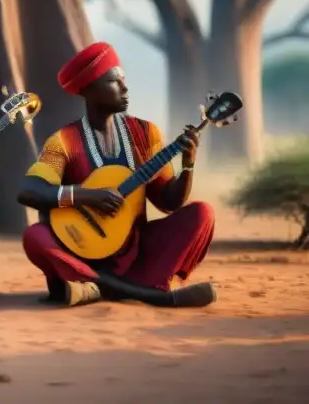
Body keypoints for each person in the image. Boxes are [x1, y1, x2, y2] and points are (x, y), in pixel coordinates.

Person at [18, 42, 217, 308]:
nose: (125, 88)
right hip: (79, 254)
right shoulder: (63, 141)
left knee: (203, 214)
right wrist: (87, 196)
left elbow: (169, 202)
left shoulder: (147, 135)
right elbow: (30, 191)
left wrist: (188, 164)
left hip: (134, 254)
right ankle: (150, 295)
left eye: (124, 81)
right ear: (89, 90)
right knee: (35, 236)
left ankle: (96, 289)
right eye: (115, 82)